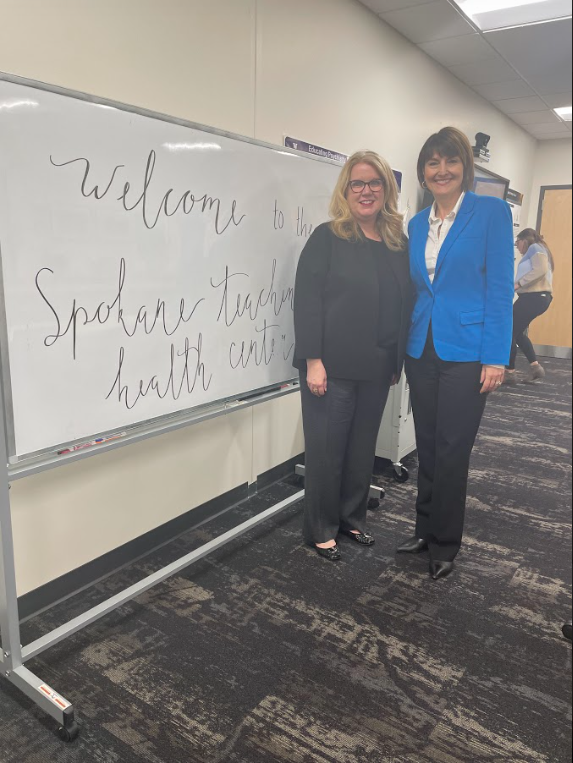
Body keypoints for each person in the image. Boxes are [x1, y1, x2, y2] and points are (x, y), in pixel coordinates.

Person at [397, 127, 514, 580]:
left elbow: (501, 288)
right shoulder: (415, 223)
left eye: (450, 161)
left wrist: (495, 356)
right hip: (421, 347)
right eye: (432, 162)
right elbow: (416, 289)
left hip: (468, 352)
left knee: (452, 449)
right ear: (423, 172)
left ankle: (446, 542)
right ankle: (424, 529)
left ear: (464, 167)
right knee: (427, 445)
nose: (441, 170)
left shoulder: (490, 213)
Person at [293, 151, 412, 561]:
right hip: (331, 366)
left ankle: (352, 518)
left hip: (378, 367)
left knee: (362, 449)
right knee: (328, 451)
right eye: (357, 184)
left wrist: (395, 362)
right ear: (346, 191)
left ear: (386, 190)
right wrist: (312, 360)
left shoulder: (398, 243)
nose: (366, 191)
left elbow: (402, 304)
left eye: (374, 183)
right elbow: (307, 301)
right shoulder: (328, 237)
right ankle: (321, 528)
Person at [504, 228, 554, 386]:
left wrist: (518, 284)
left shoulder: (535, 248)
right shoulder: (541, 249)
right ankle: (535, 367)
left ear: (524, 240)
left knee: (508, 331)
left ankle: (509, 373)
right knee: (518, 333)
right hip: (539, 298)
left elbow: (540, 270)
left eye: (517, 242)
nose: (517, 246)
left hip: (533, 297)